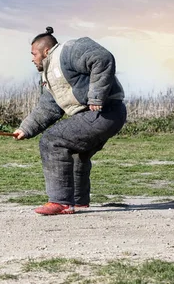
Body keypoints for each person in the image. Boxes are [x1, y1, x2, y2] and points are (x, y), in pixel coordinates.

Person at [13, 27, 127, 215]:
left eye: (34, 54)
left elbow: (102, 57)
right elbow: (49, 107)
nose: (32, 59)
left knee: (52, 140)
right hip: (100, 115)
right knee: (76, 151)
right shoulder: (50, 75)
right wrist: (26, 129)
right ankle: (77, 201)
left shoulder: (69, 50)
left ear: (46, 51)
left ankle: (60, 202)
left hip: (106, 111)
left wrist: (96, 96)